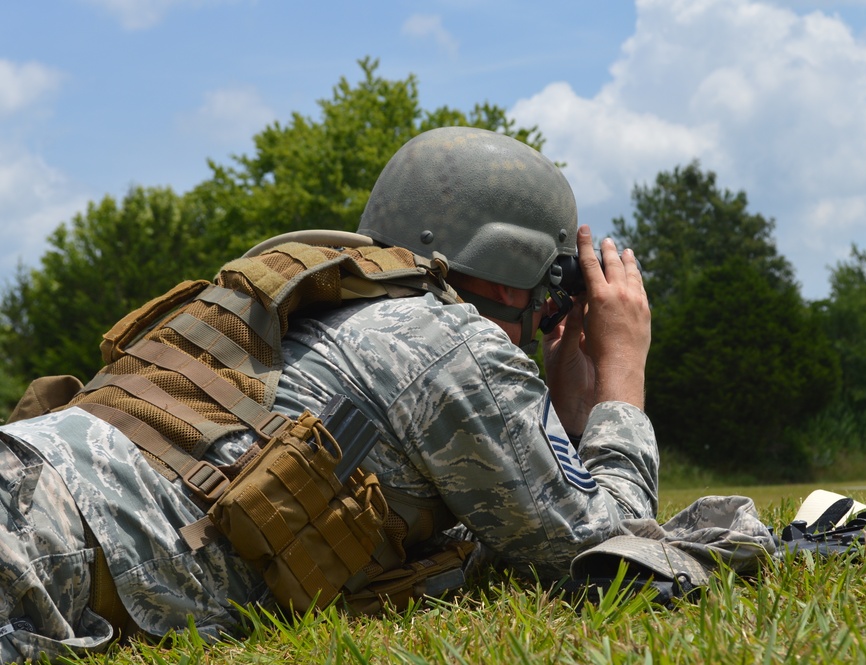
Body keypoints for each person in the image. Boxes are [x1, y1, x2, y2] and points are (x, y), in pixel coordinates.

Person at [0, 126, 658, 662]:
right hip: (43, 545)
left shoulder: (326, 305)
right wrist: (621, 371)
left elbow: (512, 524)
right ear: (518, 282)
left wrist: (569, 410)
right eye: (548, 292)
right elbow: (605, 553)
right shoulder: (444, 338)